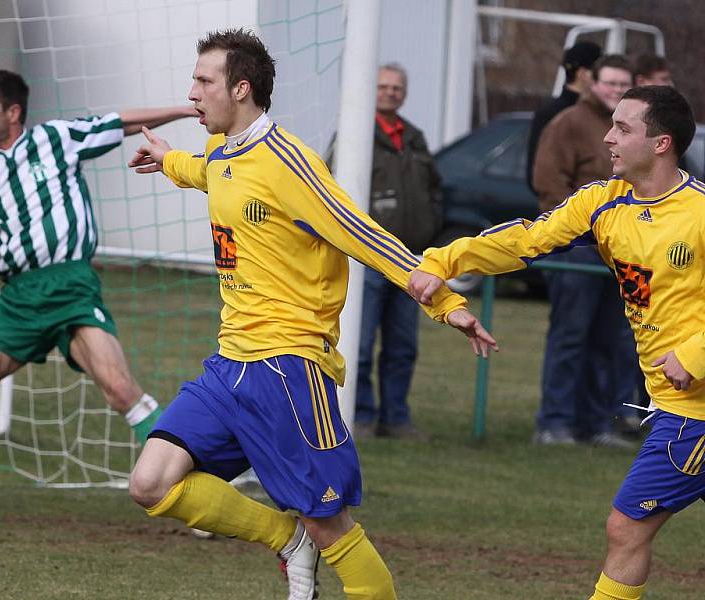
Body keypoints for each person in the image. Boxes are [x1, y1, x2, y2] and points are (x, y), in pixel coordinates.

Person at [126, 28, 497, 600]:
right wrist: (168, 159)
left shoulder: (290, 163)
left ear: (241, 88)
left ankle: (314, 543)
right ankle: (284, 537)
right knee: (151, 483)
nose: (192, 93)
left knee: (330, 525)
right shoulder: (224, 151)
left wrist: (445, 301)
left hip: (288, 368)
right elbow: (210, 174)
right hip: (230, 367)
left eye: (204, 81)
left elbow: (362, 234)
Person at [410, 84, 701, 600]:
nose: (608, 137)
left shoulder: (699, 213)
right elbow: (525, 238)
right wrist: (445, 260)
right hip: (675, 403)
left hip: (694, 410)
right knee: (627, 529)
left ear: (661, 144)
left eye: (623, 128)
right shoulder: (603, 203)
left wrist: (696, 355)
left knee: (626, 527)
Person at [0, 69, 197, 522]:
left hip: (72, 290)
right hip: (19, 301)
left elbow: (118, 121)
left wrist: (182, 109)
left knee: (121, 389)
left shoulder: (56, 140)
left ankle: (191, 494)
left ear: (13, 111)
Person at [328, 63, 443, 439]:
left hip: (411, 260)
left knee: (403, 345)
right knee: (358, 343)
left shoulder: (414, 137)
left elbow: (433, 189)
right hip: (368, 261)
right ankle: (359, 416)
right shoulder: (352, 134)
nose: (391, 92)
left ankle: (396, 418)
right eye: (383, 86)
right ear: (370, 90)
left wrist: (432, 225)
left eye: (397, 87)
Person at [531, 54, 638, 448]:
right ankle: (554, 422)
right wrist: (581, 234)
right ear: (593, 82)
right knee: (570, 337)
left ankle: (597, 423)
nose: (614, 90)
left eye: (622, 84)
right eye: (608, 82)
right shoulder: (569, 123)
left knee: (609, 339)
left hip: (621, 255)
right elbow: (548, 185)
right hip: (575, 252)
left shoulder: (632, 128)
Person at [526, 41, 602, 194]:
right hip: (571, 211)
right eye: (598, 72)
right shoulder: (554, 113)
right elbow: (540, 173)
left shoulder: (601, 112)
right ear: (582, 73)